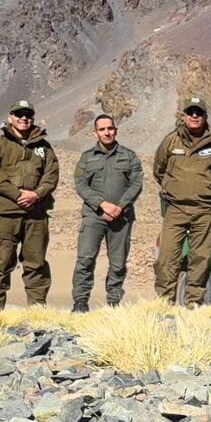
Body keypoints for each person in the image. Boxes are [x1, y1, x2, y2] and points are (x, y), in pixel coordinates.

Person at [0, 100, 59, 310]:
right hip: (7, 214)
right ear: (10, 117)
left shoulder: (44, 146)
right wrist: (16, 194)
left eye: (28, 115)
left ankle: (37, 308)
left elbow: (51, 175)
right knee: (2, 260)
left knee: (36, 262)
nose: (23, 118)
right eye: (18, 114)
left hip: (37, 213)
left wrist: (36, 194)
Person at [152, 96, 211, 306]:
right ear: (183, 116)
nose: (194, 116)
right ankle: (165, 303)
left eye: (198, 112)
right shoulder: (171, 141)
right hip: (176, 208)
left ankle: (194, 302)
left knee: (200, 258)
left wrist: (206, 190)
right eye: (190, 112)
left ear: (205, 116)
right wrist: (174, 188)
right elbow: (159, 170)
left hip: (205, 209)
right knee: (167, 257)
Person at [70, 114, 143, 312]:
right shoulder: (87, 157)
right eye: (102, 129)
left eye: (110, 128)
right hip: (94, 216)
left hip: (122, 216)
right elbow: (80, 185)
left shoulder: (129, 156)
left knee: (118, 263)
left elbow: (136, 183)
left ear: (116, 130)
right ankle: (80, 303)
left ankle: (113, 304)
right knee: (85, 259)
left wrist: (120, 206)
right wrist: (102, 204)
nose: (107, 132)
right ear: (95, 133)